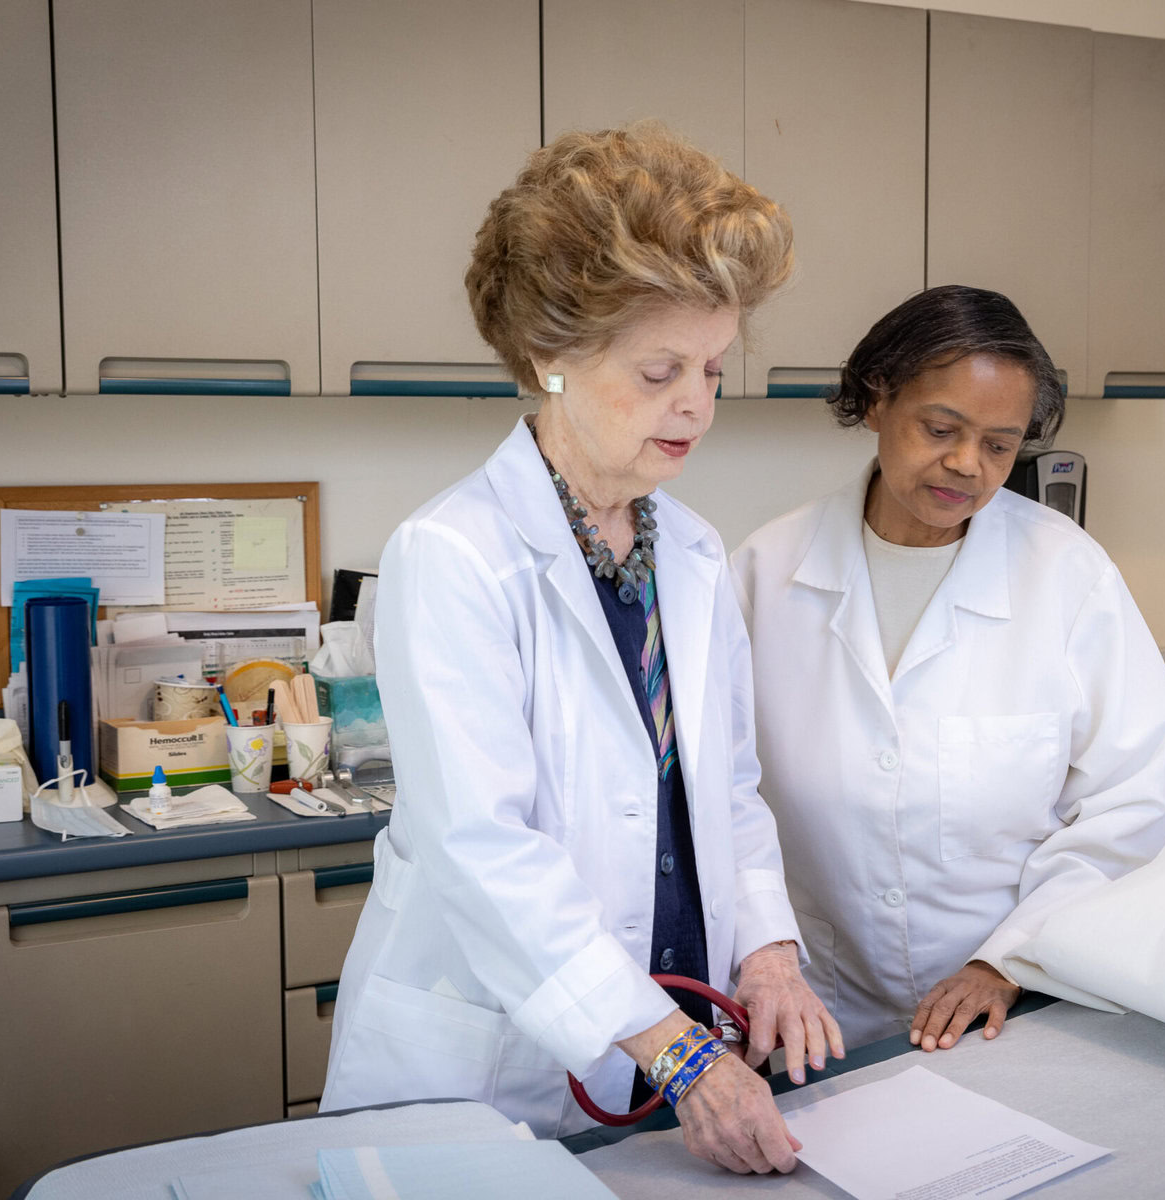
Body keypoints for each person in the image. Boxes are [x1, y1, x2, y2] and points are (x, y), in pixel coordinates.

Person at [322, 125, 842, 1175]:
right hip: (495, 1063)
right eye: (660, 370)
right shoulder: (454, 556)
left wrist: (770, 954)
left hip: (670, 1044)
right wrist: (682, 1059)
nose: (698, 403)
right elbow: (483, 849)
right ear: (554, 359)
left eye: (711, 367)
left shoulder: (687, 553)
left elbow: (728, 794)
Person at [731, 285, 1165, 1054]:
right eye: (941, 428)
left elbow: (1126, 805)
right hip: (818, 1017)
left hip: (1016, 1011)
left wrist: (1006, 960)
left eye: (1000, 446)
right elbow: (718, 799)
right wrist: (766, 956)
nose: (967, 464)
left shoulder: (1068, 577)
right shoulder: (763, 575)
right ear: (876, 401)